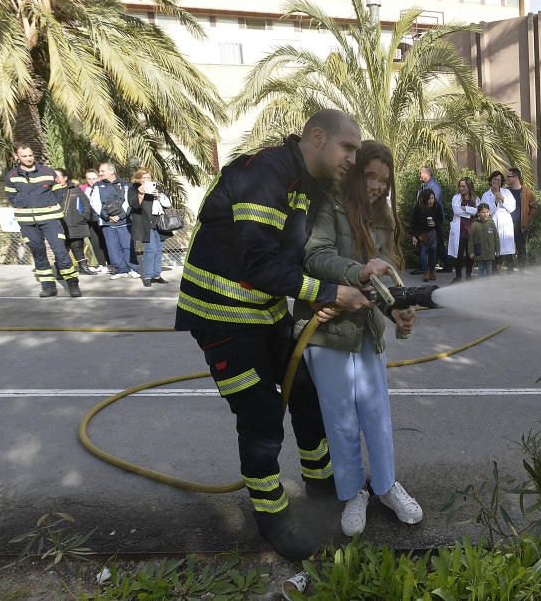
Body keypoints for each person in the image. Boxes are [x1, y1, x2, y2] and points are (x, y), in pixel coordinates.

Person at [174, 109, 372, 561]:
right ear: (317, 137)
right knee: (262, 416)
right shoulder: (267, 173)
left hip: (263, 314)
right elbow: (257, 264)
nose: (352, 159)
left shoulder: (305, 182)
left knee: (306, 393)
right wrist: (328, 292)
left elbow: (298, 254)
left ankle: (322, 488)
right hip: (220, 316)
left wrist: (352, 277)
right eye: (348, 148)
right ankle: (272, 517)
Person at [295, 140, 422, 537]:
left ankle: (385, 487)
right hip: (327, 330)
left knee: (377, 415)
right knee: (341, 419)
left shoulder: (383, 219)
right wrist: (358, 271)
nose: (377, 186)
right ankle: (354, 492)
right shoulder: (330, 205)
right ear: (355, 172)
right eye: (370, 176)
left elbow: (380, 284)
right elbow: (315, 257)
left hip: (365, 331)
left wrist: (397, 313)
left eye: (384, 181)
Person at [3, 144, 82, 297]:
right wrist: (23, 202)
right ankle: (48, 287)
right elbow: (11, 197)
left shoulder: (48, 172)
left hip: (50, 220)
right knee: (38, 253)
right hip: (27, 222)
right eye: (24, 156)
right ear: (17, 157)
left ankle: (72, 283)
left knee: (60, 252)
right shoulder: (11, 176)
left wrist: (51, 205)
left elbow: (58, 191)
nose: (28, 158)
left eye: (30, 155)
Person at [89, 162, 140, 279]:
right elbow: (95, 203)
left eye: (102, 171)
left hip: (124, 221)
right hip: (107, 222)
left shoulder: (125, 184)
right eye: (100, 171)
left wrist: (120, 216)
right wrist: (107, 216)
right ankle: (120, 269)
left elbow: (129, 201)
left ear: (111, 171)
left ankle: (132, 268)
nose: (100, 173)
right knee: (112, 247)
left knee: (127, 246)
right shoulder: (97, 186)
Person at [127, 168, 172, 287]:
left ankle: (156, 275)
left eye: (148, 178)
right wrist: (141, 193)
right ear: (138, 178)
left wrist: (159, 195)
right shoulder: (133, 189)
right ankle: (147, 276)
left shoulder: (156, 187)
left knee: (158, 250)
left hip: (158, 222)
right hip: (144, 223)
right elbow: (134, 205)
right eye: (144, 178)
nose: (147, 180)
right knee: (150, 250)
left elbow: (167, 204)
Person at [54, 169, 99, 276]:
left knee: (77, 246)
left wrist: (83, 218)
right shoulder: (51, 191)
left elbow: (86, 205)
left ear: (65, 178)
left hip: (75, 224)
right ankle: (61, 271)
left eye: (57, 176)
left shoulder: (75, 189)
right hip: (58, 225)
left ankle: (83, 267)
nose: (55, 178)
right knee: (61, 249)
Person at [482, 171, 517, 273]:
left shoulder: (506, 192)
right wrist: (495, 202)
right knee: (495, 248)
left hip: (505, 223)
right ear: (491, 180)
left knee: (507, 249)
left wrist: (503, 200)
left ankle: (511, 273)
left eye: (498, 180)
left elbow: (512, 208)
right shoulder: (485, 195)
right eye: (494, 179)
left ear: (501, 182)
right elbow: (486, 212)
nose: (496, 181)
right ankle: (495, 273)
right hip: (493, 222)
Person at [447, 177, 479, 283]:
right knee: (459, 254)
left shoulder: (475, 199)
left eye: (463, 186)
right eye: (460, 186)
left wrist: (465, 208)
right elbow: (456, 211)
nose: (461, 188)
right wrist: (470, 211)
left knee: (470, 254)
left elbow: (478, 212)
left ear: (469, 187)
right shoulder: (456, 198)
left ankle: (469, 275)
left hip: (471, 231)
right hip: (459, 231)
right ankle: (458, 276)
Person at [417, 165, 447, 273]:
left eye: (421, 173)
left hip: (434, 219)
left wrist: (432, 220)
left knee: (437, 242)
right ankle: (425, 267)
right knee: (433, 242)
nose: (420, 175)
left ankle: (446, 265)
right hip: (426, 218)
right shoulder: (424, 186)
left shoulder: (434, 186)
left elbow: (435, 204)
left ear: (426, 174)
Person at [506, 167, 537, 269]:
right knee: (508, 250)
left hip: (521, 226)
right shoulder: (506, 192)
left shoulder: (527, 191)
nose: (507, 179)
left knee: (521, 249)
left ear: (515, 177)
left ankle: (521, 272)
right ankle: (510, 272)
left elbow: (534, 207)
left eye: (509, 176)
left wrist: (527, 220)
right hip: (507, 227)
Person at [410, 188, 443, 282]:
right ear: (424, 199)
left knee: (433, 252)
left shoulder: (437, 206)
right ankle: (425, 272)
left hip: (433, 233)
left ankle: (432, 272)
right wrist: (414, 235)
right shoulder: (418, 207)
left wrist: (435, 223)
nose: (431, 200)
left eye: (433, 198)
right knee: (423, 254)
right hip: (422, 233)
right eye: (429, 199)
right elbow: (413, 222)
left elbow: (441, 219)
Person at [82, 170, 109, 273]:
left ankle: (110, 263)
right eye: (89, 179)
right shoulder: (83, 190)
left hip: (103, 218)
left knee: (106, 241)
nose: (91, 181)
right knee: (95, 242)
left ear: (98, 178)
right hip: (90, 220)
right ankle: (101, 263)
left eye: (94, 178)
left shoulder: (103, 187)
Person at [469, 202, 500, 277]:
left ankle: (488, 286)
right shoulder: (474, 224)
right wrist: (471, 252)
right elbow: (471, 240)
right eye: (483, 212)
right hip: (480, 253)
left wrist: (498, 250)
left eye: (487, 212)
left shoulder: (491, 224)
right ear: (478, 213)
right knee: (481, 270)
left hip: (490, 253)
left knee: (489, 271)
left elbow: (496, 238)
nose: (485, 214)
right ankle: (481, 286)